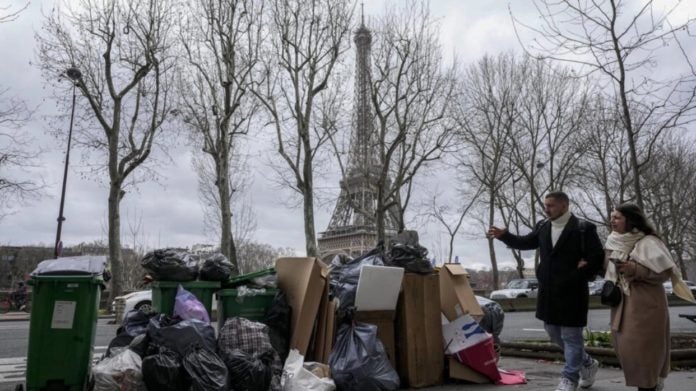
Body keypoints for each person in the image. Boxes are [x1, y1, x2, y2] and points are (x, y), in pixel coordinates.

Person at [488, 191, 604, 391]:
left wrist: (580, 273)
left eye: (550, 205)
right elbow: (526, 242)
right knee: (552, 332)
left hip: (573, 291)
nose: (546, 209)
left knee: (571, 336)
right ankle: (587, 363)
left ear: (564, 206)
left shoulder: (583, 228)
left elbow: (596, 258)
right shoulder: (543, 226)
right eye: (545, 205)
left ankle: (569, 379)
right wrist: (504, 235)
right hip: (549, 291)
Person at [605, 203, 695, 391]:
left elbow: (663, 274)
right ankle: (651, 382)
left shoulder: (649, 242)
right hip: (621, 304)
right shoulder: (613, 241)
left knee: (644, 352)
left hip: (645, 305)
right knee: (627, 351)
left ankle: (650, 384)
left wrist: (634, 269)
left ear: (630, 220)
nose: (612, 220)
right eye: (612, 217)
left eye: (617, 217)